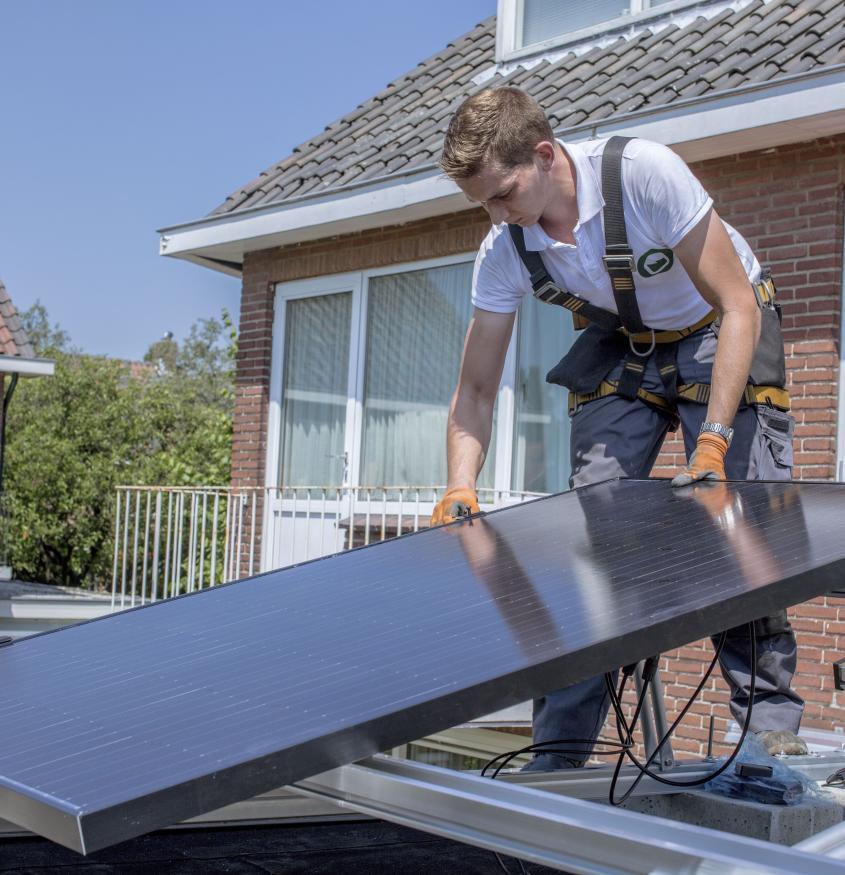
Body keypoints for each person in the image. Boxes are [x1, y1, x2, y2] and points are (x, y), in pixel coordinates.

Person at [431, 86, 806, 769]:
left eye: (504, 192)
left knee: (737, 520)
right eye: (482, 202)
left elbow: (736, 307)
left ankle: (767, 730)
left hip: (718, 329)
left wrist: (715, 440)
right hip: (626, 345)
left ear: (544, 155)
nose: (496, 214)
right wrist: (460, 484)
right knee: (596, 534)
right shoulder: (506, 248)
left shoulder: (642, 174)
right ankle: (561, 748)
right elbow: (477, 387)